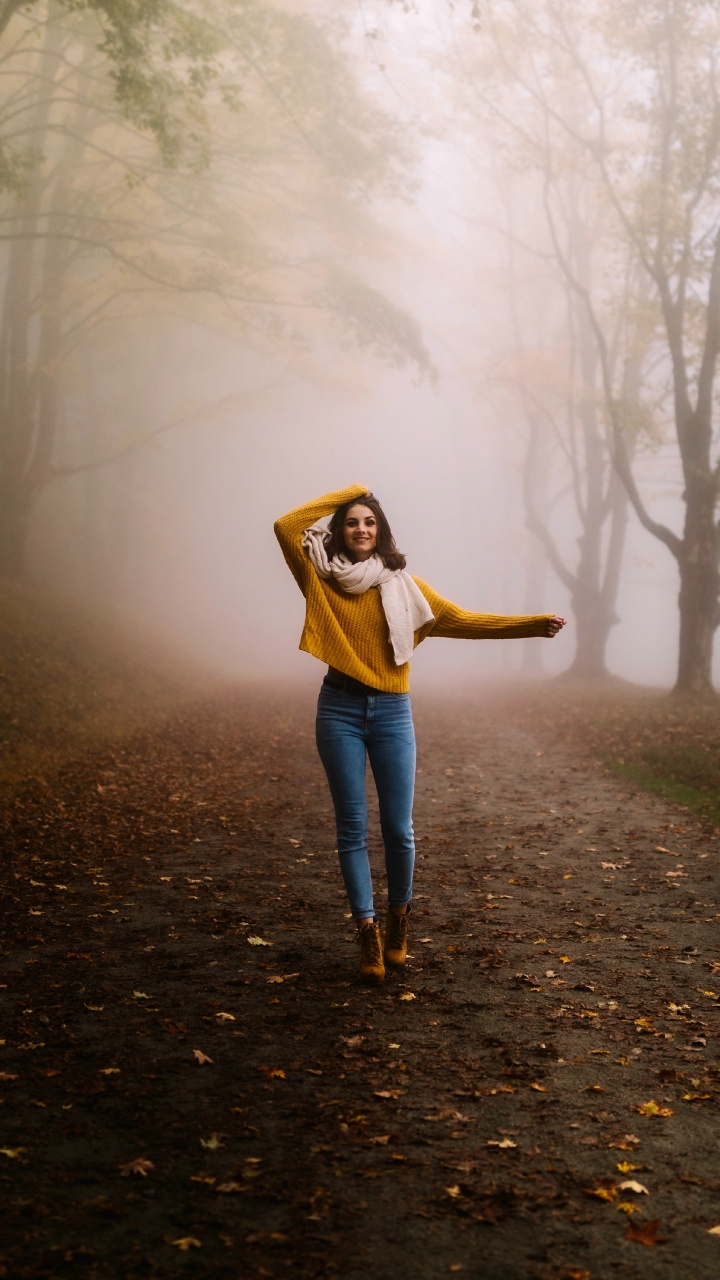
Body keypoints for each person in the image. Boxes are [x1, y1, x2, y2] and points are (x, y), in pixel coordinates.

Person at [274, 484, 566, 985]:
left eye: (369, 521)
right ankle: (365, 930)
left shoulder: (404, 587)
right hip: (338, 708)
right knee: (351, 827)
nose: (361, 529)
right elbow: (286, 525)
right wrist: (355, 490)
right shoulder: (319, 577)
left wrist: (533, 624)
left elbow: (462, 619)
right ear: (339, 531)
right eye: (351, 522)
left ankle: (398, 918)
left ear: (382, 531)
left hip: (391, 712)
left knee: (399, 829)